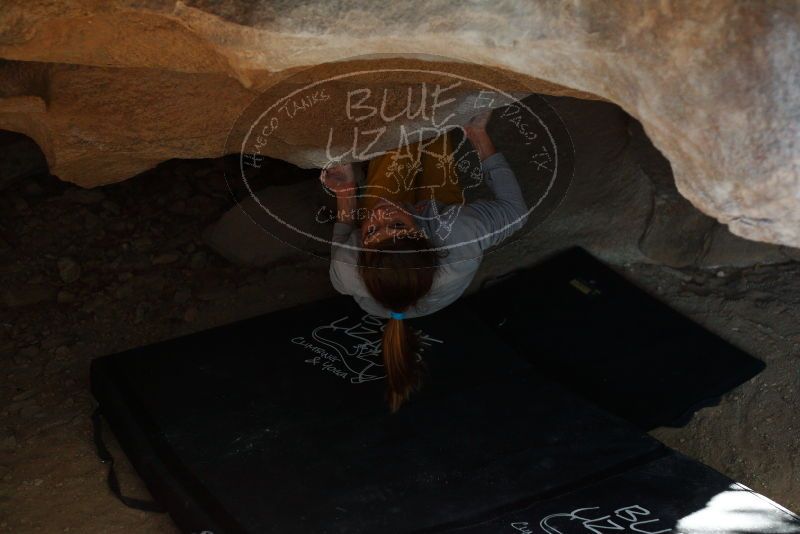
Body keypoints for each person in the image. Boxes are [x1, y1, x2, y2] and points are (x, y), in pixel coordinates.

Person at [320, 110, 527, 412]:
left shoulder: (347, 268)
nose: (383, 215)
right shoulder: (458, 237)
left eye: (373, 231)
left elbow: (343, 238)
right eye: (398, 226)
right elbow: (515, 211)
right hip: (436, 217)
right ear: (426, 240)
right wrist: (477, 133)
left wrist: (347, 191)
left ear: (362, 249)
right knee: (436, 138)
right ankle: (435, 116)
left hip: (415, 254)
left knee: (396, 144)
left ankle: (403, 114)